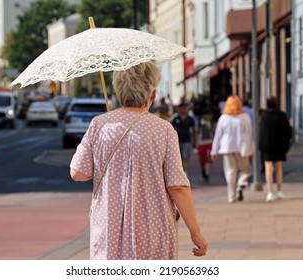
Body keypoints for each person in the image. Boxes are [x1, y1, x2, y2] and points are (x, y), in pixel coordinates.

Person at [69, 61, 207, 260]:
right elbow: (177, 186)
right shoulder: (163, 129)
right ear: (152, 94)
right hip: (152, 229)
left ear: (118, 93)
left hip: (109, 228)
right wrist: (195, 232)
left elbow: (78, 173)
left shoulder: (99, 125)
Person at [211, 95, 253, 203]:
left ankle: (231, 196)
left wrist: (214, 151)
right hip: (242, 148)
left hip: (227, 148)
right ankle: (241, 182)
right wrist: (251, 148)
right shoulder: (245, 117)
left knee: (230, 172)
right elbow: (250, 134)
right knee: (245, 169)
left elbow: (218, 136)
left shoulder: (223, 118)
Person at [259, 96, 292, 202]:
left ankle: (270, 192)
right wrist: (286, 144)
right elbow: (288, 131)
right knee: (278, 167)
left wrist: (261, 145)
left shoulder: (264, 116)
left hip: (267, 146)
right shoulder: (282, 115)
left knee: (268, 168)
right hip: (279, 146)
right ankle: (279, 190)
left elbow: (261, 132)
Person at [171, 102, 197, 175]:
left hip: (187, 140)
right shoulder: (175, 119)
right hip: (177, 141)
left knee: (185, 157)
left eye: (185, 108)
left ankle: (185, 173)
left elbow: (194, 130)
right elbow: (172, 129)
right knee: (179, 158)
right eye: (181, 108)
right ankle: (181, 171)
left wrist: (195, 141)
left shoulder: (190, 119)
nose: (183, 110)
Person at [197, 110, 215, 181]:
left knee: (208, 159)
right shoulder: (199, 122)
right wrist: (196, 142)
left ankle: (207, 174)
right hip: (201, 144)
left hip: (209, 143)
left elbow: (214, 132)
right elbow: (196, 132)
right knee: (202, 160)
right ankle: (203, 170)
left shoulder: (212, 123)